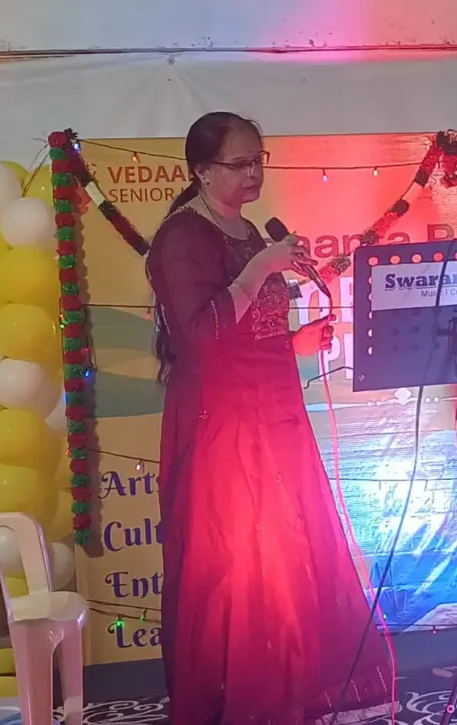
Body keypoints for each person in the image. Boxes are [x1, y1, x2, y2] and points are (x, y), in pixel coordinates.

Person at [147, 112, 393, 725]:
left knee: (287, 551)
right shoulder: (182, 238)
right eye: (240, 162)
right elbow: (200, 335)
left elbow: (255, 332)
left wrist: (302, 338)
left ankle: (289, 684)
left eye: (260, 159)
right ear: (201, 170)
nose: (255, 172)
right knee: (233, 562)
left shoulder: (252, 230)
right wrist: (261, 269)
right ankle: (241, 699)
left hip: (274, 410)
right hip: (220, 423)